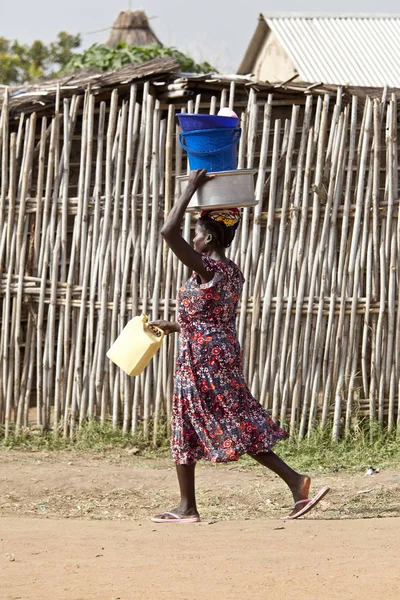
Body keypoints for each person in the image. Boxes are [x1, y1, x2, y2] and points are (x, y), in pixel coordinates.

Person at [151, 169, 329, 523]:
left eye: (197, 234)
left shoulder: (207, 267)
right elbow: (212, 316)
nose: (192, 239)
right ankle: (188, 506)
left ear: (210, 238)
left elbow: (166, 231)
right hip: (213, 350)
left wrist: (189, 189)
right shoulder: (231, 272)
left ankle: (295, 481)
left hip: (204, 358)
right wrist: (176, 326)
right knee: (190, 420)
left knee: (230, 421)